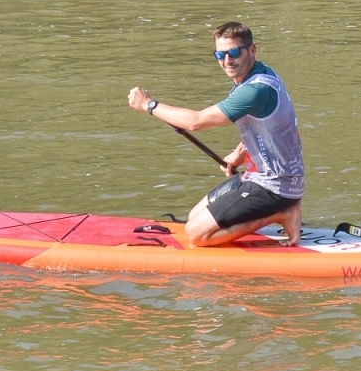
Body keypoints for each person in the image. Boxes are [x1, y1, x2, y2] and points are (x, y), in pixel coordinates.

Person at [128, 22, 304, 247]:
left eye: (234, 52)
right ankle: (278, 209)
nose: (227, 61)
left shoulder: (255, 91)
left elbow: (196, 122)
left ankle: (282, 213)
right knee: (194, 217)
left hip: (276, 187)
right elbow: (270, 127)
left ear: (252, 50)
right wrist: (238, 154)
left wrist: (148, 104)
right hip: (262, 176)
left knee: (196, 235)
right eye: (220, 55)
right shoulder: (262, 73)